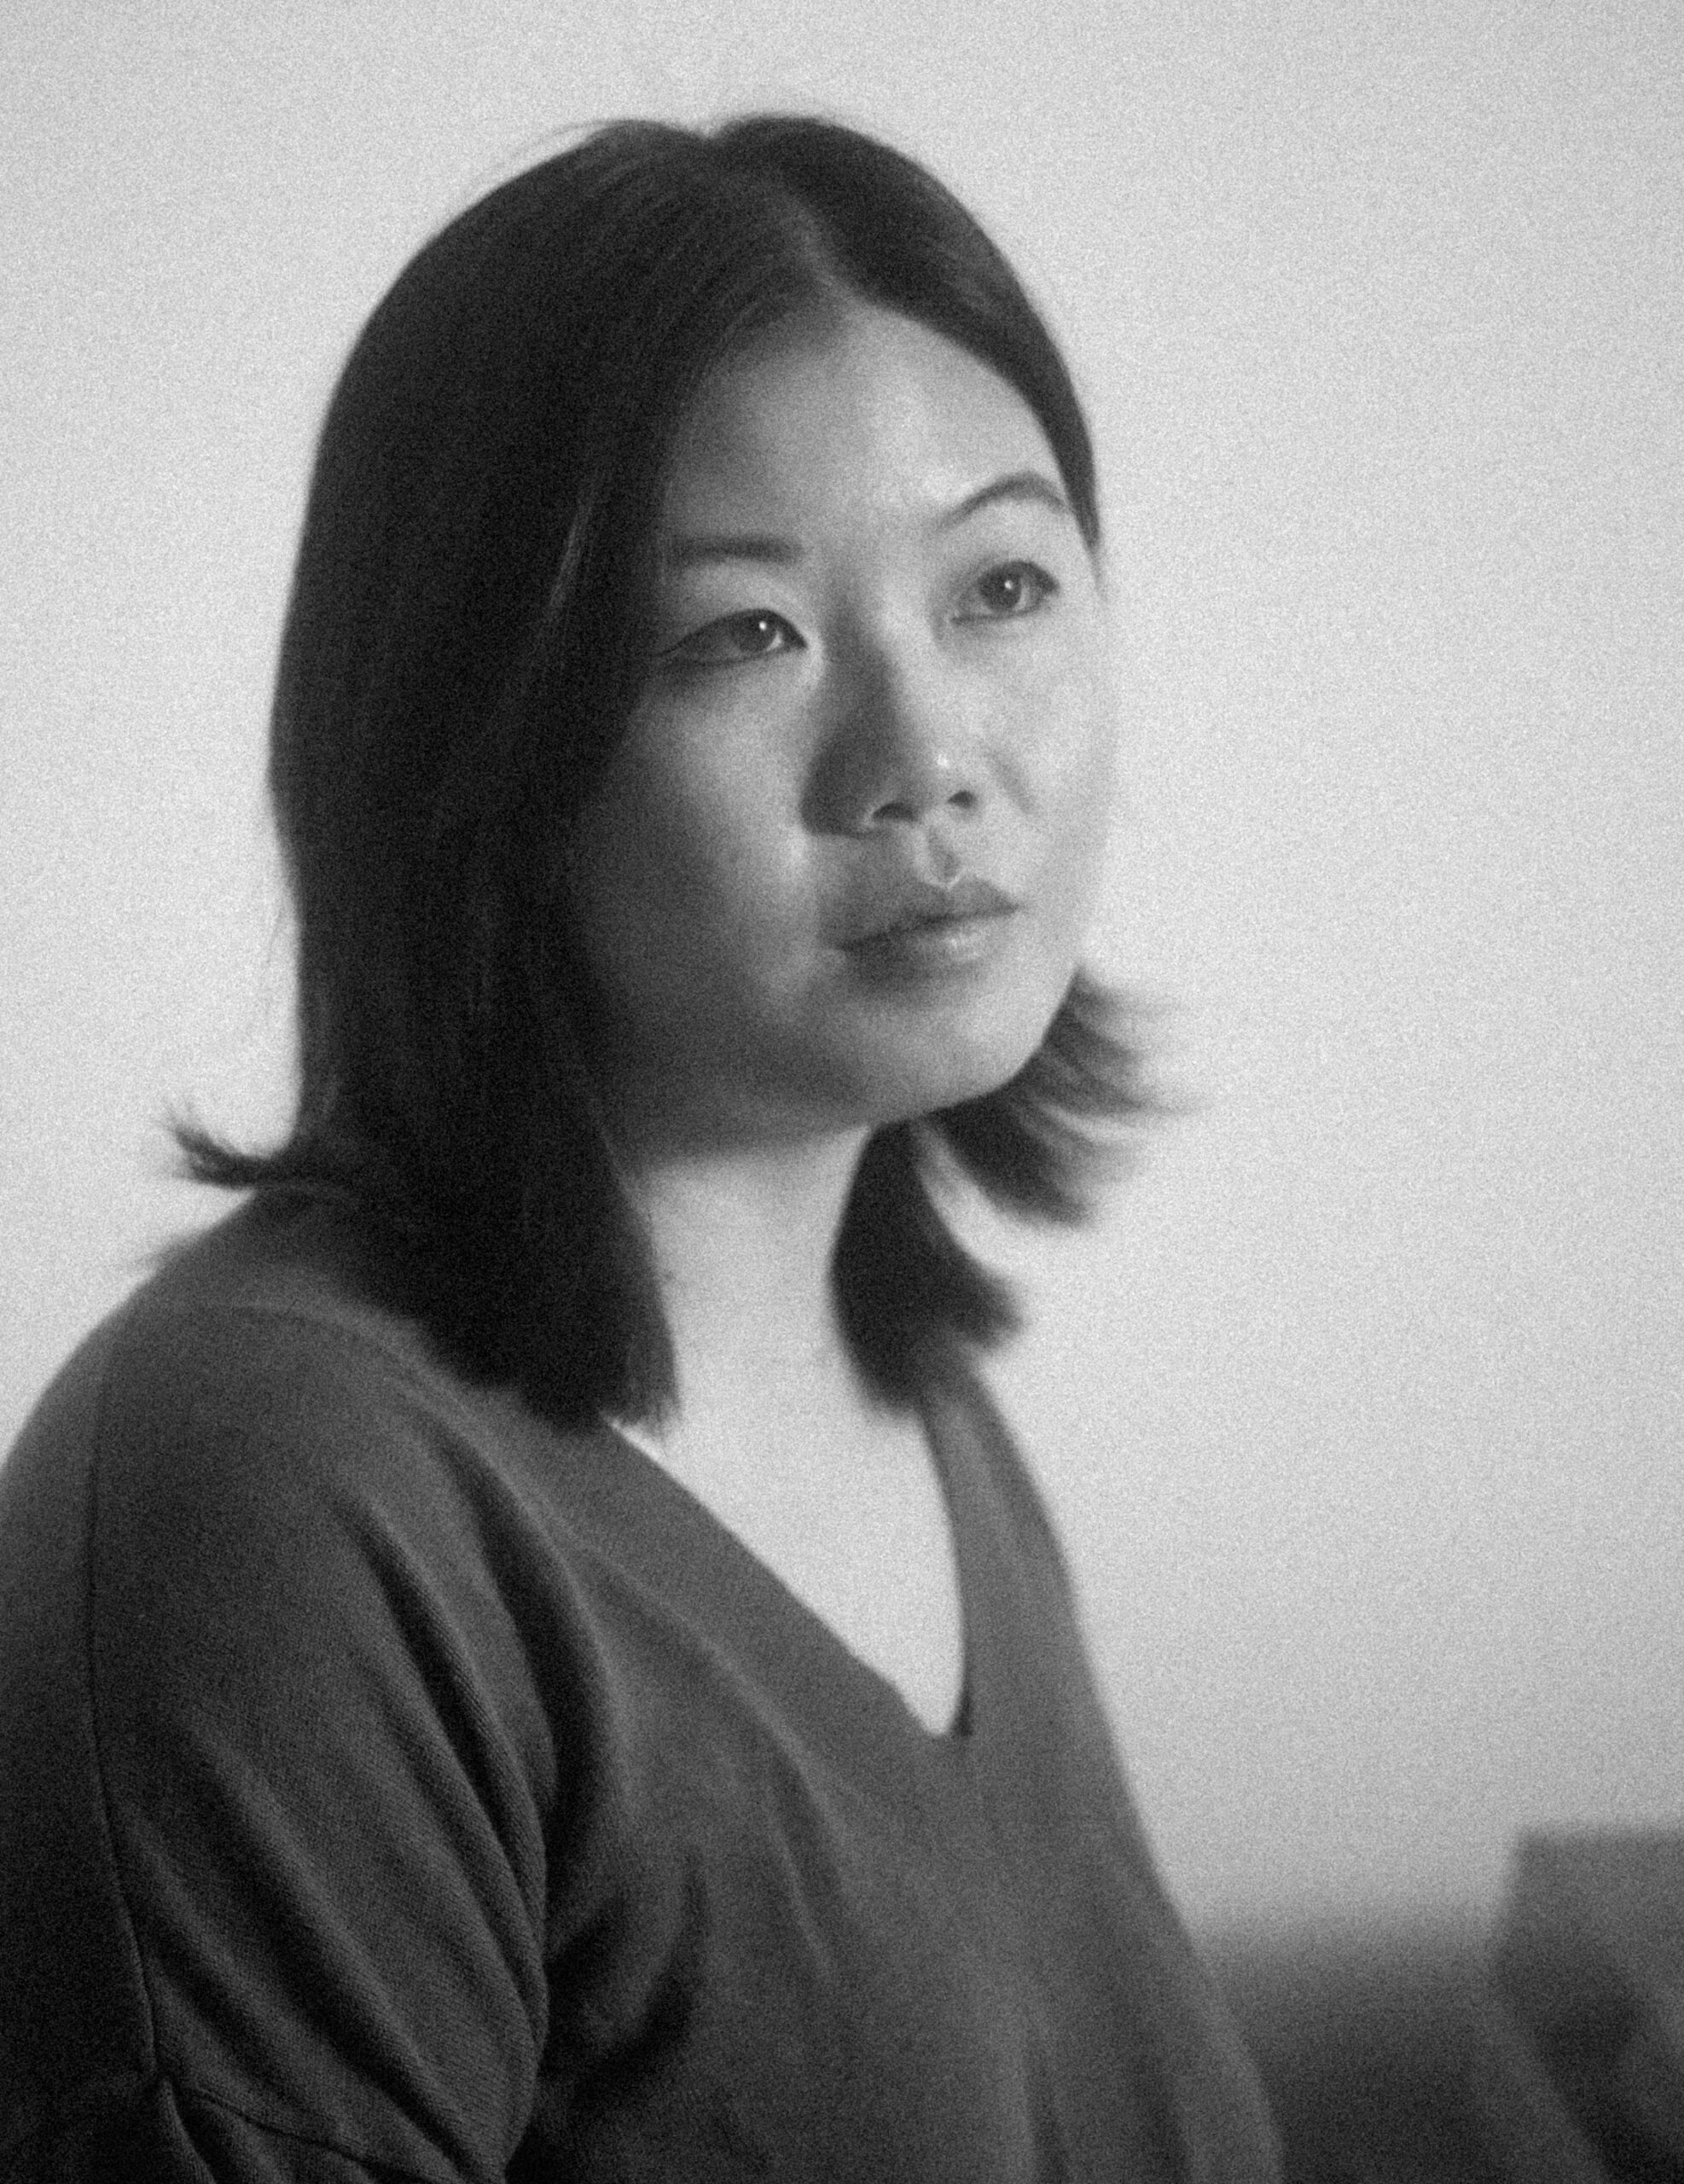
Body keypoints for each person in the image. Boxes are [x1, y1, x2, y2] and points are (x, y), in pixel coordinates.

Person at [0, 116, 1280, 2180]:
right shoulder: (275, 1504)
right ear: (478, 739)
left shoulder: (911, 1387)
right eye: (741, 633)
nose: (928, 755)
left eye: (1004, 585)